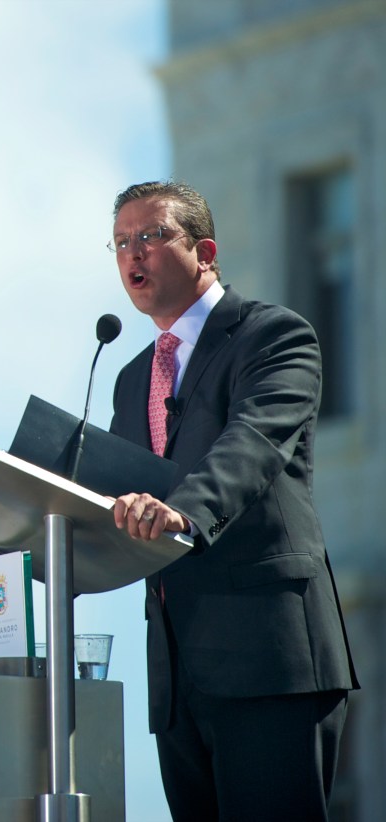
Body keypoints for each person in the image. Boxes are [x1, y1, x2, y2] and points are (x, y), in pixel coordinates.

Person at [105, 180, 357, 820]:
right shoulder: (132, 376)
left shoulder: (273, 337)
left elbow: (252, 444)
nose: (134, 253)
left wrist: (182, 512)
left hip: (268, 661)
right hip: (178, 681)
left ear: (205, 250)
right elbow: (110, 494)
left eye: (152, 236)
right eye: (121, 242)